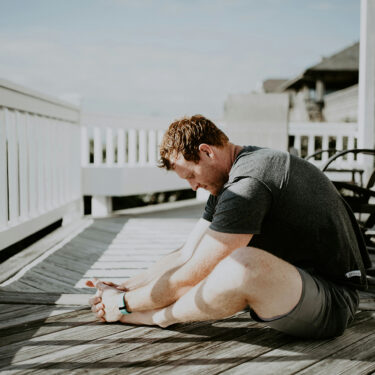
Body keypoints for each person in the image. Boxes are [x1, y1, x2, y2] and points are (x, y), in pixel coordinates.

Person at [87, 115, 371, 339]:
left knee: (240, 265)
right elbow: (186, 254)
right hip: (293, 287)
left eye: (191, 175)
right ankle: (145, 310)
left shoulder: (249, 183)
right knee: (216, 260)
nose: (193, 185)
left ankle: (158, 318)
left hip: (332, 301)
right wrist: (124, 286)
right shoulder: (227, 182)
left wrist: (126, 305)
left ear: (206, 151)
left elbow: (192, 274)